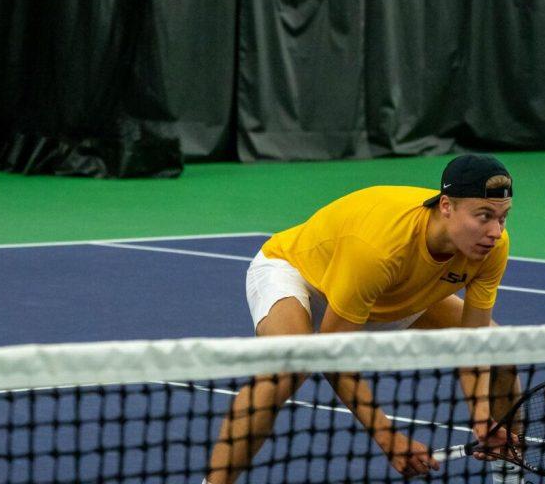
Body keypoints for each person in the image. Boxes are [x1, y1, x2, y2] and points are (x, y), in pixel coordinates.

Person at [204, 154, 522, 484]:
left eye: (503, 218)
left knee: (499, 349)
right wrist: (387, 436)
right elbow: (333, 352)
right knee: (286, 368)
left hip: (387, 295)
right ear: (446, 206)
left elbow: (473, 342)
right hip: (300, 275)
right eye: (483, 216)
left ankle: (510, 476)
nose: (495, 231)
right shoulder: (381, 246)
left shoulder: (494, 247)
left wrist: (482, 415)